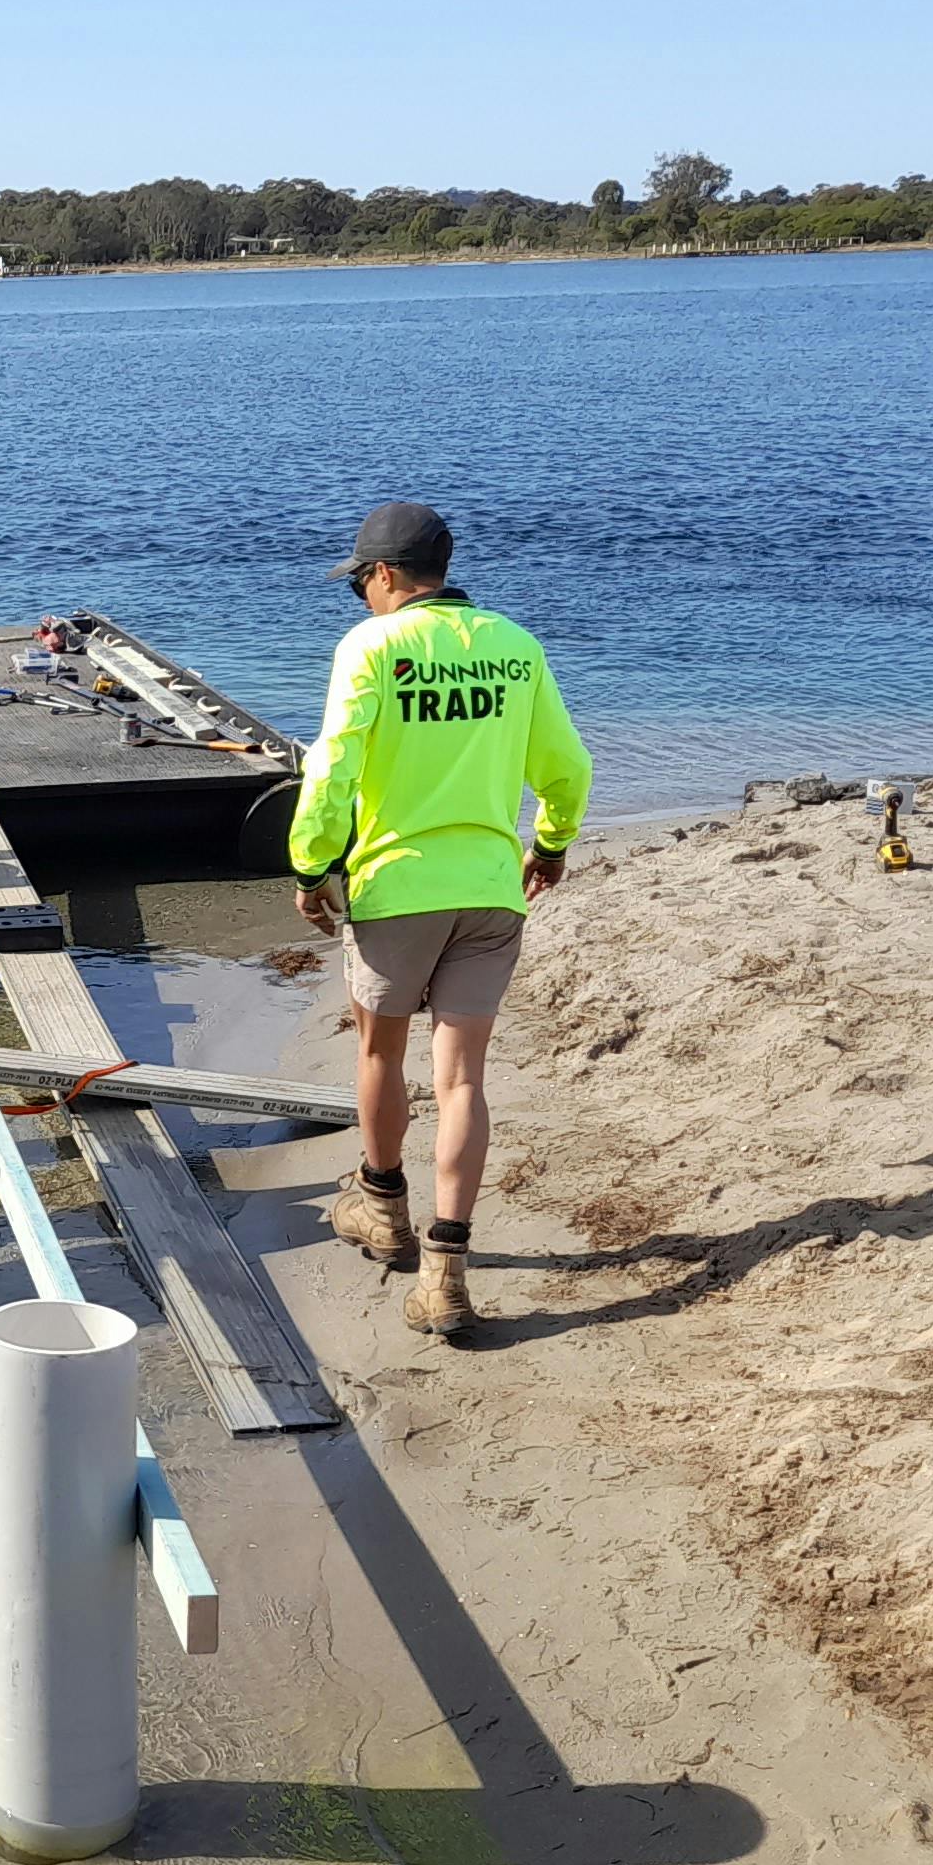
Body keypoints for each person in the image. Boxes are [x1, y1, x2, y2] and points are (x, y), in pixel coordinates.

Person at [285, 500, 591, 1337]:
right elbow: (566, 767)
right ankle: (445, 1274)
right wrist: (552, 846)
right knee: (463, 1080)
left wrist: (311, 864)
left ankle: (383, 1211)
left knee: (381, 1050)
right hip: (493, 889)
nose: (361, 598)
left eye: (360, 583)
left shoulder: (373, 647)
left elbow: (333, 767)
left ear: (384, 575)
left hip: (396, 889)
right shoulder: (515, 644)